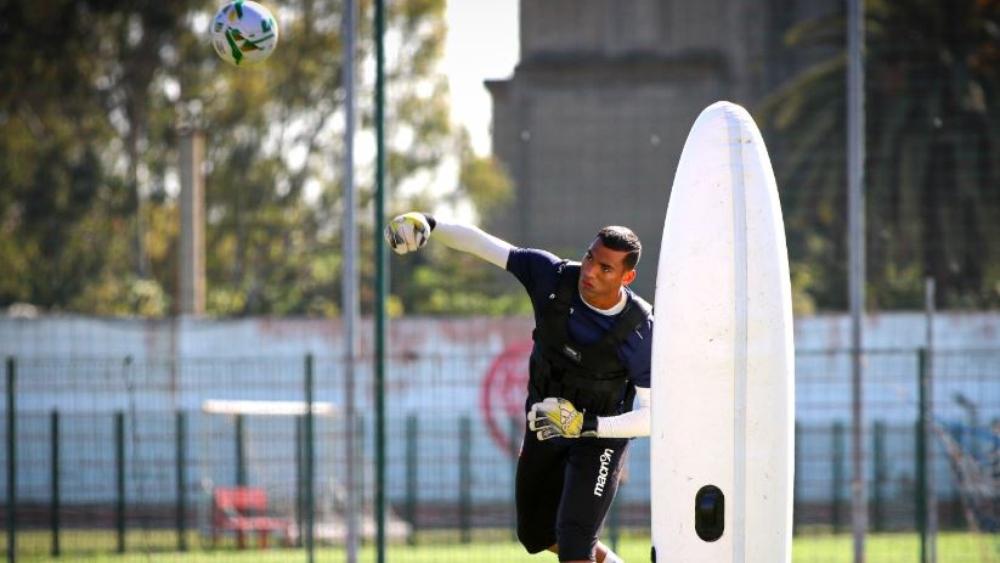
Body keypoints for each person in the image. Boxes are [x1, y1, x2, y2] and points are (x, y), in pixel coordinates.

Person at [385, 212, 652, 563]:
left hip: (598, 437)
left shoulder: (640, 330)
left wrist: (587, 425)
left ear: (627, 276)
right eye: (590, 257)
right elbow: (484, 245)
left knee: (575, 541)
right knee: (536, 535)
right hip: (543, 423)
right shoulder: (552, 276)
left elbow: (654, 418)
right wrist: (430, 224)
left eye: (605, 268)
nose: (590, 271)